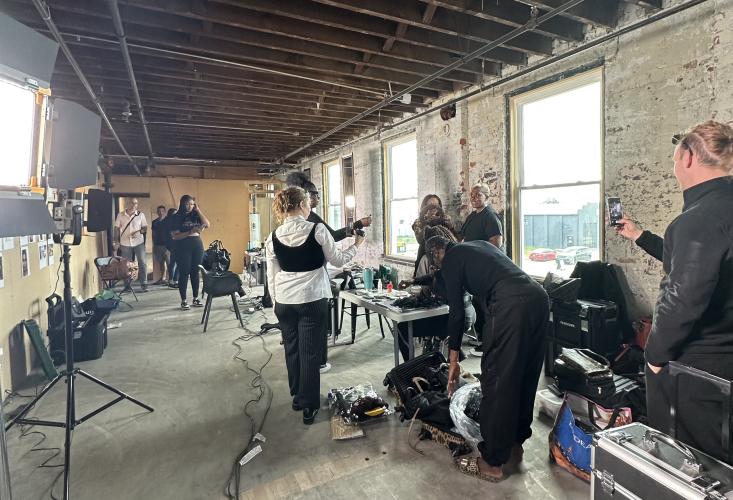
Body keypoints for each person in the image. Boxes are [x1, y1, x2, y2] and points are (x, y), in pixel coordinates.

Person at [616, 121, 733, 461]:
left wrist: (654, 356)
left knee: (692, 468)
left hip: (699, 374)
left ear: (687, 157)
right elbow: (702, 263)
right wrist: (640, 236)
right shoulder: (717, 211)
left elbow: (683, 298)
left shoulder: (697, 219)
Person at [426, 235, 549, 482]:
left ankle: (492, 461)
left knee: (497, 380)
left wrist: (453, 361)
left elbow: (457, 314)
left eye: (435, 263)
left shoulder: (450, 260)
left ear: (438, 253)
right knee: (524, 372)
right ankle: (515, 439)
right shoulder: (478, 245)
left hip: (510, 306)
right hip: (539, 297)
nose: (438, 267)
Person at [265, 187, 363, 425]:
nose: (310, 207)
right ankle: (309, 407)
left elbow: (272, 275)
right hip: (311, 299)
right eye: (308, 203)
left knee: (292, 349)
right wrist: (357, 244)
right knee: (310, 352)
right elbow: (337, 260)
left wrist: (276, 303)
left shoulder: (273, 236)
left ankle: (298, 397)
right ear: (300, 205)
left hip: (285, 302)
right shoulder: (317, 229)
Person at [286, 171, 372, 373]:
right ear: (304, 197)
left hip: (292, 289)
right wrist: (357, 242)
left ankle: (305, 364)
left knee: (301, 331)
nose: (317, 198)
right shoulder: (312, 220)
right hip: (311, 284)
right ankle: (319, 362)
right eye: (314, 194)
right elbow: (335, 247)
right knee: (315, 324)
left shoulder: (285, 228)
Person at [461, 184, 504, 356]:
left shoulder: (490, 216)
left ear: (487, 196)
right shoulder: (472, 216)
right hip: (474, 267)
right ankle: (480, 336)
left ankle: (488, 343)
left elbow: (496, 242)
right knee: (477, 302)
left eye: (478, 195)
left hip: (488, 268)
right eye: (472, 194)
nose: (474, 197)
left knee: (486, 305)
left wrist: (478, 254)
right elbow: (462, 237)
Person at [170, 195, 210, 310]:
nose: (190, 206)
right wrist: (190, 231)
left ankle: (195, 298)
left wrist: (198, 210)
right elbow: (175, 236)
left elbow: (207, 224)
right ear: (182, 204)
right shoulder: (176, 217)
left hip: (197, 244)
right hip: (183, 245)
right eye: (187, 204)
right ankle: (183, 300)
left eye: (192, 204)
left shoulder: (195, 214)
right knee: (184, 272)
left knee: (195, 272)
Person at [114, 198, 149, 292]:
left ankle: (144, 283)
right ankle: (127, 285)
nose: (134, 205)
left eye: (136, 203)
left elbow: (145, 227)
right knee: (126, 265)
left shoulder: (141, 215)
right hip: (125, 243)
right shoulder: (120, 215)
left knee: (142, 262)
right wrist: (116, 241)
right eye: (132, 203)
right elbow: (117, 228)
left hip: (139, 242)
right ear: (127, 204)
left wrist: (139, 231)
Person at [412, 194, 445, 276]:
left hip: (441, 259)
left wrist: (450, 226)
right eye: (430, 205)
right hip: (424, 256)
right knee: (422, 284)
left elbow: (453, 238)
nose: (433, 208)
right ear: (425, 206)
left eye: (436, 205)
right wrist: (428, 222)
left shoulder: (444, 220)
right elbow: (419, 239)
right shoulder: (418, 222)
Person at [151, 205, 171, 285]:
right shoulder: (154, 222)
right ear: (157, 212)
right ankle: (162, 278)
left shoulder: (168, 221)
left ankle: (171, 279)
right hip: (157, 245)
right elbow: (153, 234)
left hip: (167, 246)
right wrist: (154, 245)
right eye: (159, 211)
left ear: (165, 212)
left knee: (169, 263)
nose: (160, 213)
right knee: (161, 263)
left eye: (162, 211)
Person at [164, 208, 179, 287]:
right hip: (173, 245)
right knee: (175, 263)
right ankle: (174, 280)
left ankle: (172, 280)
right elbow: (170, 234)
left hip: (172, 245)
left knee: (173, 264)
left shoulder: (167, 221)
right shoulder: (170, 222)